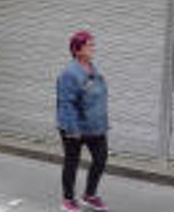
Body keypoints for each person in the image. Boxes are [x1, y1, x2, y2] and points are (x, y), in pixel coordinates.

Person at [56, 30, 109, 212]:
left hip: (95, 127)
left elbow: (98, 99)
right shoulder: (69, 74)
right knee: (72, 162)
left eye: (93, 44)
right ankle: (68, 200)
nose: (93, 48)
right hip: (75, 127)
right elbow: (66, 103)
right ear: (77, 49)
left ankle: (89, 195)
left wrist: (103, 123)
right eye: (89, 45)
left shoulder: (93, 69)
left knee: (100, 159)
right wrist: (72, 129)